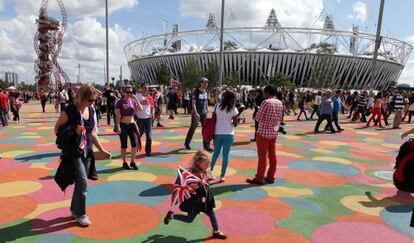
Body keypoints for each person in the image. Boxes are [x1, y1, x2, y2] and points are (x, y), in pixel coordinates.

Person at [54, 83, 111, 226]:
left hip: (87, 150)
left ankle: (74, 209)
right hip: (73, 152)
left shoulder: (90, 110)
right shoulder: (69, 111)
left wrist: (102, 149)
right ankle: (81, 213)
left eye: (94, 100)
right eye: (90, 100)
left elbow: (92, 132)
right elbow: (56, 129)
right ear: (82, 97)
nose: (92, 103)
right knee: (83, 182)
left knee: (81, 182)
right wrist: (74, 129)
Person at [164, 150, 227, 240]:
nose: (208, 166)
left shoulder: (204, 170)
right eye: (206, 164)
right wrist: (200, 183)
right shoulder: (193, 174)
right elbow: (193, 187)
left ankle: (216, 231)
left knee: (212, 215)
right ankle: (171, 215)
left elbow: (205, 181)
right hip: (196, 201)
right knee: (189, 220)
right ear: (198, 163)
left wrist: (209, 179)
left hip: (205, 198)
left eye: (208, 164)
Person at [246, 86, 283, 185]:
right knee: (272, 155)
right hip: (273, 132)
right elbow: (280, 118)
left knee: (262, 157)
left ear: (266, 93)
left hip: (263, 133)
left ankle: (259, 177)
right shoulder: (280, 102)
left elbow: (258, 118)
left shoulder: (265, 102)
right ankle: (271, 176)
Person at [210, 91, 239, 182]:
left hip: (217, 132)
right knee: (225, 155)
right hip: (229, 133)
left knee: (215, 154)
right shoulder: (233, 109)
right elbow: (235, 124)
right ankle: (222, 176)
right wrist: (234, 121)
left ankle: (209, 173)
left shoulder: (217, 106)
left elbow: (213, 118)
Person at [115, 86, 143, 170]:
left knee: (134, 144)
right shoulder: (119, 102)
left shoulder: (133, 101)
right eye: (128, 92)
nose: (129, 94)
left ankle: (132, 161)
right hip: (123, 125)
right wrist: (118, 126)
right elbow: (117, 115)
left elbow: (140, 109)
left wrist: (136, 98)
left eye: (131, 92)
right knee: (124, 145)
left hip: (132, 125)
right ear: (123, 92)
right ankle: (124, 162)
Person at [184, 77, 212, 151]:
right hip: (196, 114)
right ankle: (187, 143)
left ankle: (206, 146)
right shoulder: (196, 92)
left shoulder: (206, 92)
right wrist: (196, 113)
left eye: (207, 83)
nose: (206, 84)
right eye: (204, 83)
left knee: (206, 129)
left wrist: (207, 110)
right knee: (193, 128)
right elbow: (193, 103)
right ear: (201, 83)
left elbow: (206, 102)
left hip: (204, 113)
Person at [135, 83, 154, 156]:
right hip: (140, 119)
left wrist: (152, 114)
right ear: (141, 88)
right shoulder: (138, 96)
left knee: (149, 136)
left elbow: (152, 107)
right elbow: (134, 105)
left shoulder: (150, 97)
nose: (146, 89)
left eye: (147, 88)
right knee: (139, 134)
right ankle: (135, 146)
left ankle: (148, 151)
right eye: (145, 88)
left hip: (148, 119)